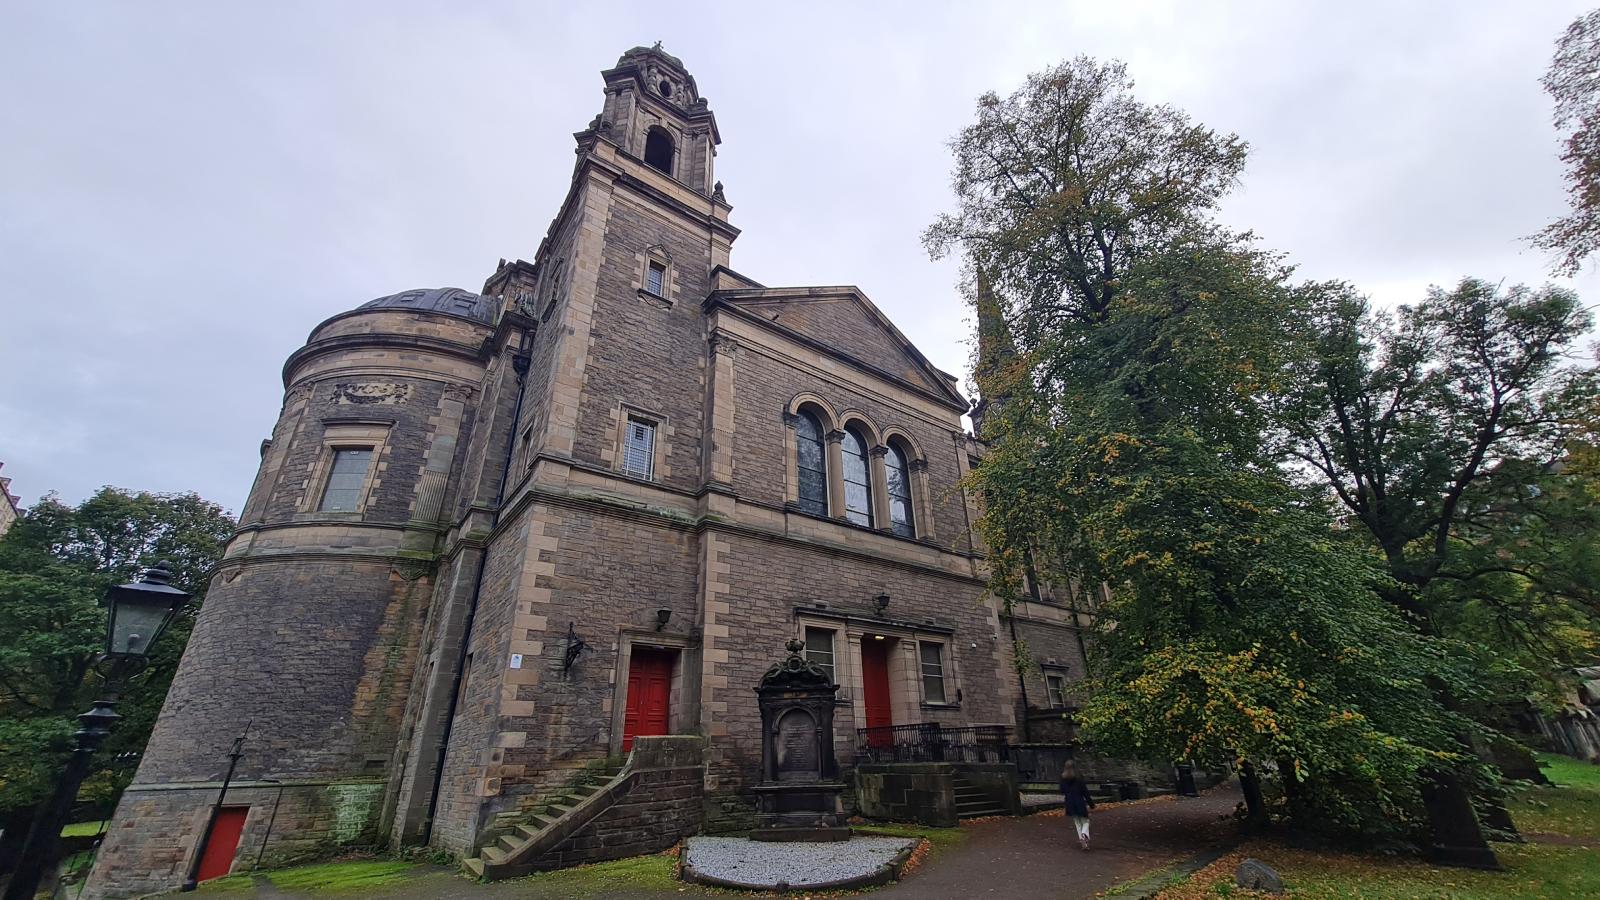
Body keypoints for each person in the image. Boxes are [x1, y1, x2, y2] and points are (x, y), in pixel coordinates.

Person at [1060, 761, 1096, 850]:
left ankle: (1083, 841)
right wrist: (1091, 804)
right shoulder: (1079, 779)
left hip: (1069, 803)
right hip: (1079, 802)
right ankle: (1084, 835)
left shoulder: (1063, 779)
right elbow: (1085, 793)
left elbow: (1062, 790)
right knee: (1086, 821)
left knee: (1077, 823)